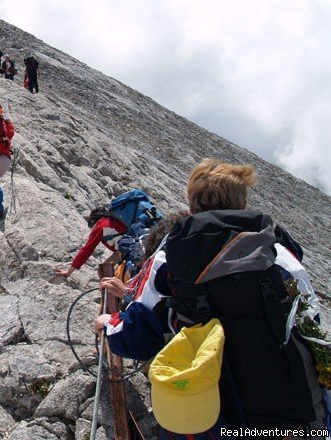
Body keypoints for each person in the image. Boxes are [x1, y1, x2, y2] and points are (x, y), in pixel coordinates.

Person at [95, 159, 326, 436]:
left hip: (213, 413)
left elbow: (138, 337)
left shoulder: (171, 255)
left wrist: (109, 322)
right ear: (242, 204)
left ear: (192, 204)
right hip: (298, 414)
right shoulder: (279, 253)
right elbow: (312, 326)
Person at [52, 207, 127, 278]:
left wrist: (69, 272)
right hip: (133, 245)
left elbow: (87, 250)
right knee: (110, 268)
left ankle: (114, 290)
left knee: (104, 270)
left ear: (93, 221)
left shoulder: (100, 226)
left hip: (126, 251)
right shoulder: (113, 222)